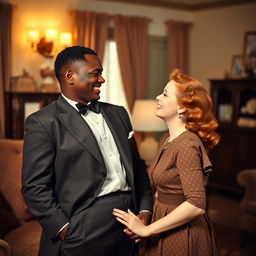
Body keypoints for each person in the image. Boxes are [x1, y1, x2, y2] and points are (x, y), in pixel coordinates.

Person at [21, 46, 152, 256]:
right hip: (83, 226)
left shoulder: (119, 114)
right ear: (70, 76)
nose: (102, 80)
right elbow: (34, 188)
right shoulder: (43, 122)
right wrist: (66, 230)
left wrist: (145, 211)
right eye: (96, 73)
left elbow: (137, 168)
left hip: (130, 220)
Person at [113, 69, 220, 256]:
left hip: (184, 233)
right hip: (163, 223)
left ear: (182, 107)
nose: (157, 97)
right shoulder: (166, 138)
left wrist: (146, 230)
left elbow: (196, 204)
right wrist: (146, 223)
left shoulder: (186, 144)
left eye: (164, 94)